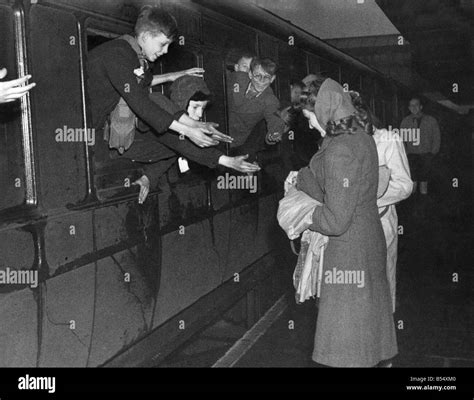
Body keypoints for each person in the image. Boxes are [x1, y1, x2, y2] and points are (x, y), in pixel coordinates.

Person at [295, 76, 397, 367]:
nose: (310, 124)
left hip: (349, 251)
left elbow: (336, 219)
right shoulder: (361, 137)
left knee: (345, 346)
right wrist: (305, 179)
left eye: (310, 117)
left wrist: (303, 215)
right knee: (365, 340)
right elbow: (344, 190)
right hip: (367, 241)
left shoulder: (340, 149)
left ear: (324, 111)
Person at [87, 5, 229, 156]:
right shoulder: (117, 54)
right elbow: (139, 101)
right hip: (73, 123)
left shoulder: (133, 54)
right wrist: (188, 131)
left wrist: (196, 124)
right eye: (163, 44)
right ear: (146, 36)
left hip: (91, 125)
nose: (166, 51)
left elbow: (145, 81)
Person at [125, 76, 260, 203]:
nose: (200, 114)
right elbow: (182, 143)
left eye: (203, 108)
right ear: (181, 102)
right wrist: (228, 161)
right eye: (195, 107)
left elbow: (168, 157)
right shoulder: (158, 103)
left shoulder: (181, 133)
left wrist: (148, 178)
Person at [351, 91, 413, 314]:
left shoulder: (387, 139)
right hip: (349, 225)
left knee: (382, 282)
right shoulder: (337, 141)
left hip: (381, 221)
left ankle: (383, 334)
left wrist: (370, 195)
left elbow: (405, 185)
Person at [227, 57, 288, 161]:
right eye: (257, 75)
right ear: (250, 74)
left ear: (272, 79)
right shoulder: (237, 79)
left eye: (267, 77)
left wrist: (274, 134)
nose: (261, 81)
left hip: (232, 144)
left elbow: (275, 121)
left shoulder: (270, 101)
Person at [400, 96, 440, 197]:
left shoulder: (431, 120)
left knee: (424, 183)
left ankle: (424, 207)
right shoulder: (405, 121)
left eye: (416, 105)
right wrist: (405, 153)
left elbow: (436, 137)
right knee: (412, 183)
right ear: (408, 108)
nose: (414, 107)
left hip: (426, 155)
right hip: (411, 156)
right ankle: (413, 207)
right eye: (411, 105)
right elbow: (401, 139)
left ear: (421, 106)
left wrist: (433, 152)